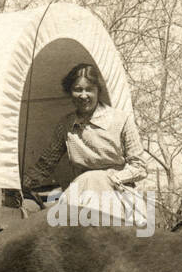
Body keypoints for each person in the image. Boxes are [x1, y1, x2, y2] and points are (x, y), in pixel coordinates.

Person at [22, 63, 147, 222]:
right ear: (70, 92)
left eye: (89, 89)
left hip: (117, 190)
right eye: (77, 90)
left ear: (98, 90)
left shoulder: (121, 120)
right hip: (82, 191)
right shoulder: (66, 125)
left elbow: (140, 167)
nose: (83, 95)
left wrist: (113, 178)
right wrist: (21, 186)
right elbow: (46, 163)